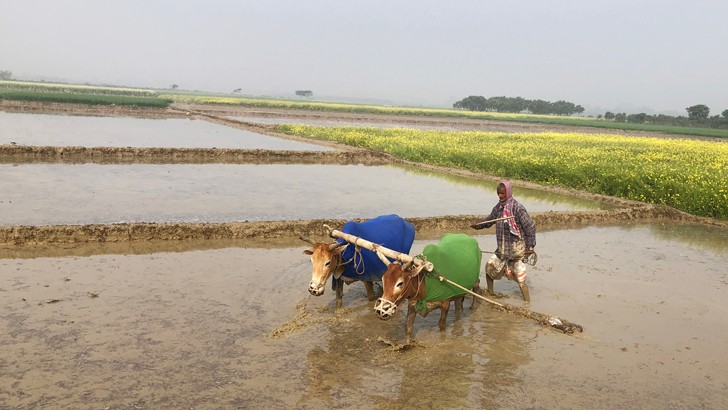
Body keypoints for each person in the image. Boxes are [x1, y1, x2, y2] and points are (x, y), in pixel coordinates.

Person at [470, 181, 536, 302]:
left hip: (516, 250)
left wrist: (530, 247)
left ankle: (527, 303)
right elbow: (489, 220)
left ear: (508, 192)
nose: (500, 196)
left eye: (503, 193)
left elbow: (530, 226)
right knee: (489, 269)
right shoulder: (498, 208)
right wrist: (478, 225)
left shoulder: (517, 208)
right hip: (502, 250)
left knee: (520, 278)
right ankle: (491, 294)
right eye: (498, 193)